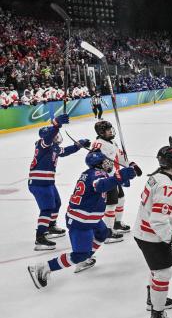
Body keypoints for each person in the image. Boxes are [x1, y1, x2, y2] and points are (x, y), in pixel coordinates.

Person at [27, 151, 138, 288]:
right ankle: (43, 267)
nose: (107, 163)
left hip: (90, 217)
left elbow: (114, 182)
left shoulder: (94, 173)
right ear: (98, 164)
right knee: (79, 254)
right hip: (81, 220)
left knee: (103, 233)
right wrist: (122, 176)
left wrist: (127, 174)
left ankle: (86, 258)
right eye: (104, 161)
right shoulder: (96, 175)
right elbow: (101, 185)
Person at [133, 146, 172, 318]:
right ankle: (157, 317)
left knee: (156, 269)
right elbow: (158, 221)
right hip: (151, 235)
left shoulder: (157, 177)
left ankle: (152, 298)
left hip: (142, 230)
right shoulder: (166, 186)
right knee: (163, 272)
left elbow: (154, 203)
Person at [28, 114, 90, 250]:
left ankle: (50, 226)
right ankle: (40, 238)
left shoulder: (53, 147)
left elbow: (65, 151)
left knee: (57, 203)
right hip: (39, 182)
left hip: (47, 182)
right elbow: (49, 137)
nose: (57, 137)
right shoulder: (44, 144)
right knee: (47, 208)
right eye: (55, 135)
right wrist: (56, 125)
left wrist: (78, 145)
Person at [91, 120, 142, 241]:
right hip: (106, 178)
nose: (111, 131)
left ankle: (116, 223)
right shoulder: (98, 144)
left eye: (110, 129)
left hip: (115, 176)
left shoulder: (112, 142)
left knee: (120, 200)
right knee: (111, 204)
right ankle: (107, 233)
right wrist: (102, 164)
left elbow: (120, 158)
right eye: (108, 130)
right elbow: (92, 160)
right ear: (101, 132)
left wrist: (132, 164)